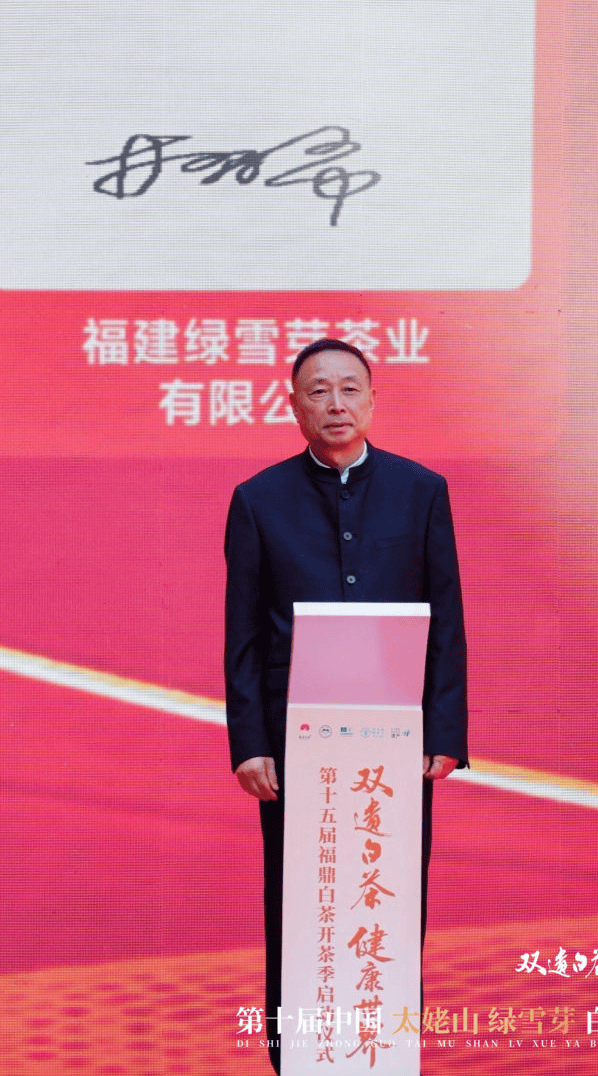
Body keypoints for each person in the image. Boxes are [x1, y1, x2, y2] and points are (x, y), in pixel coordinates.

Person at [224, 338, 467, 1073]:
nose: (336, 404)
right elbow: (242, 632)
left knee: (391, 894)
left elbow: (447, 619)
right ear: (294, 405)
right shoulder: (258, 499)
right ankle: (295, 1054)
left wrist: (444, 729)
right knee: (299, 898)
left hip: (395, 737)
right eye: (319, 391)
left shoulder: (421, 490)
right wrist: (249, 742)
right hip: (297, 741)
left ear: (372, 399)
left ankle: (386, 1049)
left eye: (350, 388)